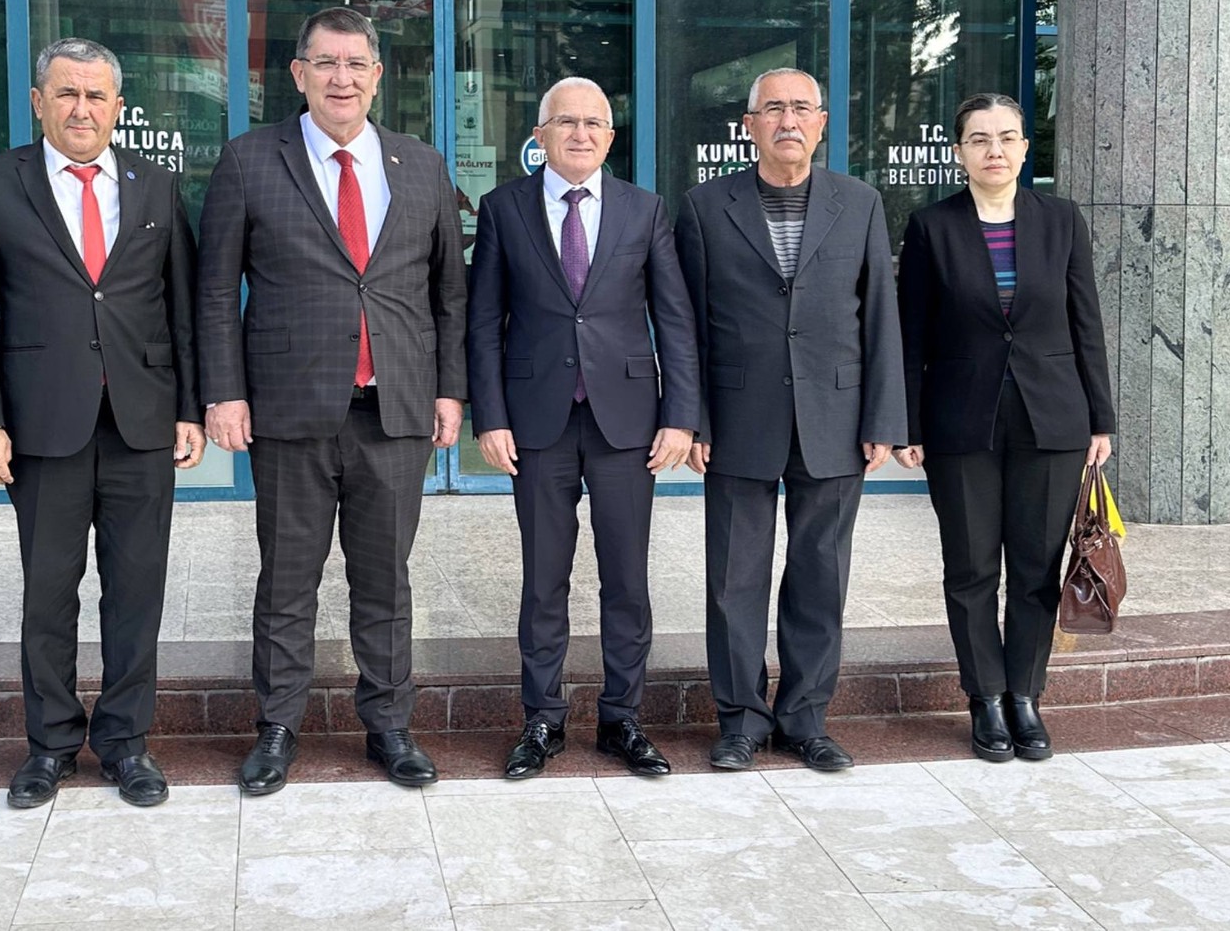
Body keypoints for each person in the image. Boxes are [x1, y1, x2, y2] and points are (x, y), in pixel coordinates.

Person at [199, 7, 468, 795]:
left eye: (355, 64)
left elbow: (450, 293)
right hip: (289, 411)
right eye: (325, 63)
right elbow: (215, 291)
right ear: (298, 73)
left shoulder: (421, 164)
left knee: (385, 579)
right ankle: (278, 726)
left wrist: (451, 389)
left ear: (377, 76)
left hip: (395, 409)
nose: (340, 78)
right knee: (288, 580)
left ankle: (389, 725)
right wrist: (224, 391)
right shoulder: (250, 160)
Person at [0, 37, 203, 809]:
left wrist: (190, 407)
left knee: (137, 592)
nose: (81, 108)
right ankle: (51, 743)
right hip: (41, 427)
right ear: (39, 102)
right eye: (66, 93)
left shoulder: (157, 186)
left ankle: (126, 741)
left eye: (96, 95)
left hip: (140, 424)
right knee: (48, 593)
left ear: (118, 107)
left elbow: (183, 311)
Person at [467, 77, 699, 780]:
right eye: (565, 122)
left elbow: (675, 319)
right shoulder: (503, 208)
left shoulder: (643, 208)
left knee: (626, 579)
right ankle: (542, 719)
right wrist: (490, 416)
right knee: (544, 580)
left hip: (627, 423)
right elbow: (483, 322)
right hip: (535, 422)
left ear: (610, 137)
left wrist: (680, 415)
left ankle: (622, 717)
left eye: (593, 123)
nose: (580, 133)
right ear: (539, 135)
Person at [676, 67, 905, 773]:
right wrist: (693, 418)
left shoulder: (859, 203)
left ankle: (806, 719)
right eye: (773, 108)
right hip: (738, 417)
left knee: (820, 575)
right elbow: (686, 326)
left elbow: (881, 317)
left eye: (802, 108)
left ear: (822, 122)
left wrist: (883, 417)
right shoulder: (704, 206)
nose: (788, 120)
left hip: (834, 416)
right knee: (733, 580)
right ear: (748, 125)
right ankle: (740, 721)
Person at [894, 93, 1115, 763]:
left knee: (1035, 568)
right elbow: (911, 335)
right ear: (959, 151)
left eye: (1008, 137)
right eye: (980, 139)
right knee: (969, 567)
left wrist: (1101, 418)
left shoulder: (1061, 220)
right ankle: (984, 697)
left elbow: (1086, 322)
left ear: (1024, 147)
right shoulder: (931, 226)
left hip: (1053, 420)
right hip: (960, 421)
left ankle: (1024, 694)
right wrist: (907, 422)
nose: (995, 149)